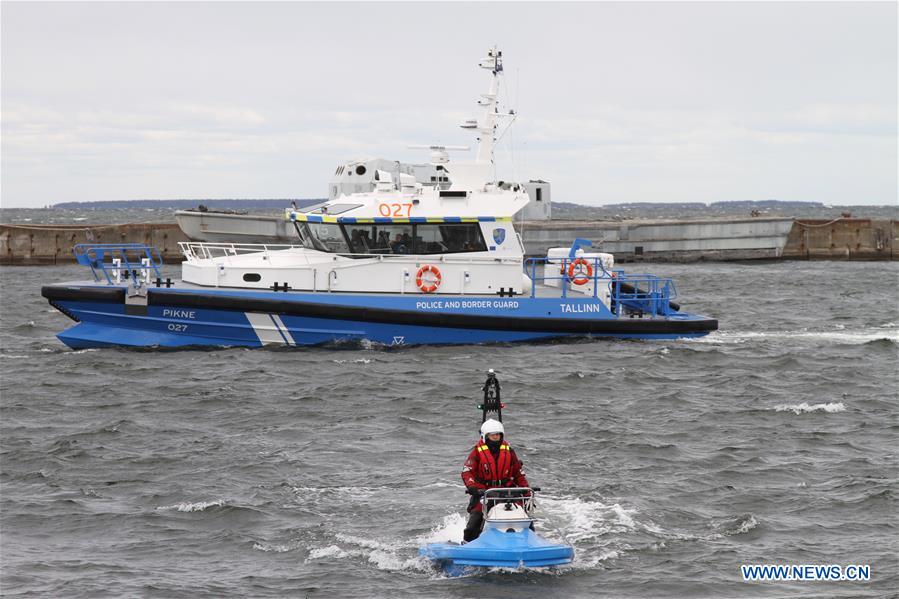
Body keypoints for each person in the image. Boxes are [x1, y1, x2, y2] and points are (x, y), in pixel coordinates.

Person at [460, 419, 530, 542]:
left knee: (525, 519)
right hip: (485, 492)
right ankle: (468, 544)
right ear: (485, 436)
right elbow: (467, 471)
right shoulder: (477, 452)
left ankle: (530, 541)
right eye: (493, 436)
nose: (496, 438)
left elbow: (518, 473)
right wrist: (473, 487)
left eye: (498, 435)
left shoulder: (509, 451)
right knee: (474, 524)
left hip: (508, 492)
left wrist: (526, 491)